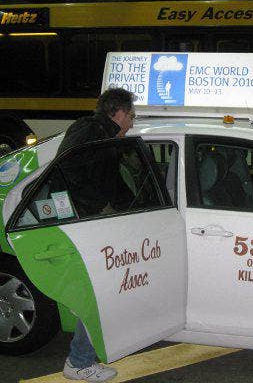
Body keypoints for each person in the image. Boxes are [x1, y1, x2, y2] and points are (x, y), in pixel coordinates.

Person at [61, 87, 135, 382]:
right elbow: (71, 171)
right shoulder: (93, 133)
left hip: (88, 222)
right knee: (96, 293)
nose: (132, 122)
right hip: (86, 223)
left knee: (99, 291)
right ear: (118, 113)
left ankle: (83, 357)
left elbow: (110, 182)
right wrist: (99, 206)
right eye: (131, 115)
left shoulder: (99, 133)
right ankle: (79, 362)